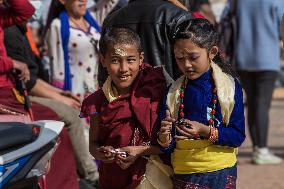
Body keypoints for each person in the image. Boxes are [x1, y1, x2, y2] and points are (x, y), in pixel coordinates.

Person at [4, 23, 99, 187]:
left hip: (30, 90)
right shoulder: (11, 31)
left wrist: (59, 94)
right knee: (72, 116)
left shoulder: (19, 28)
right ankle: (92, 176)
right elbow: (29, 82)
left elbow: (32, 77)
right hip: (18, 95)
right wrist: (60, 98)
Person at [0, 1, 80, 189]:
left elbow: (25, 10)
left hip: (12, 91)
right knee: (52, 128)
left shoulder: (5, 18)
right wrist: (12, 64)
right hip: (6, 94)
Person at [157, 19, 245, 189]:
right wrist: (164, 136)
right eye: (180, 58)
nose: (186, 64)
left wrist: (205, 131)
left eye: (193, 57)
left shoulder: (229, 89)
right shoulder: (173, 93)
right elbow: (168, 147)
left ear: (212, 52)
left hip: (221, 172)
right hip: (185, 172)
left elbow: (237, 136)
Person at [80, 27, 167, 189]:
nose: (123, 68)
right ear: (103, 60)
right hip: (114, 178)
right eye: (115, 60)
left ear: (141, 59)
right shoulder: (97, 101)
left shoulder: (155, 91)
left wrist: (140, 151)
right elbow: (93, 144)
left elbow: (170, 145)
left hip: (152, 177)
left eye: (130, 60)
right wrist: (101, 153)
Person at [235, 0, 284, 165]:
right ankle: (262, 149)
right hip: (267, 57)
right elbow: (281, 24)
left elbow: (228, 17)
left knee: (253, 103)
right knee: (262, 103)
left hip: (243, 56)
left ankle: (257, 146)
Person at [100, 0, 193, 85]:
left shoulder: (111, 20)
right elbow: (192, 70)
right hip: (167, 98)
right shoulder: (179, 17)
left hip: (120, 100)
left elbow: (103, 76)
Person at [45, 0, 101, 99]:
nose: (83, 0)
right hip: (76, 93)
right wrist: (63, 96)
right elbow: (57, 68)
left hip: (97, 89)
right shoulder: (57, 25)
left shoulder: (92, 20)